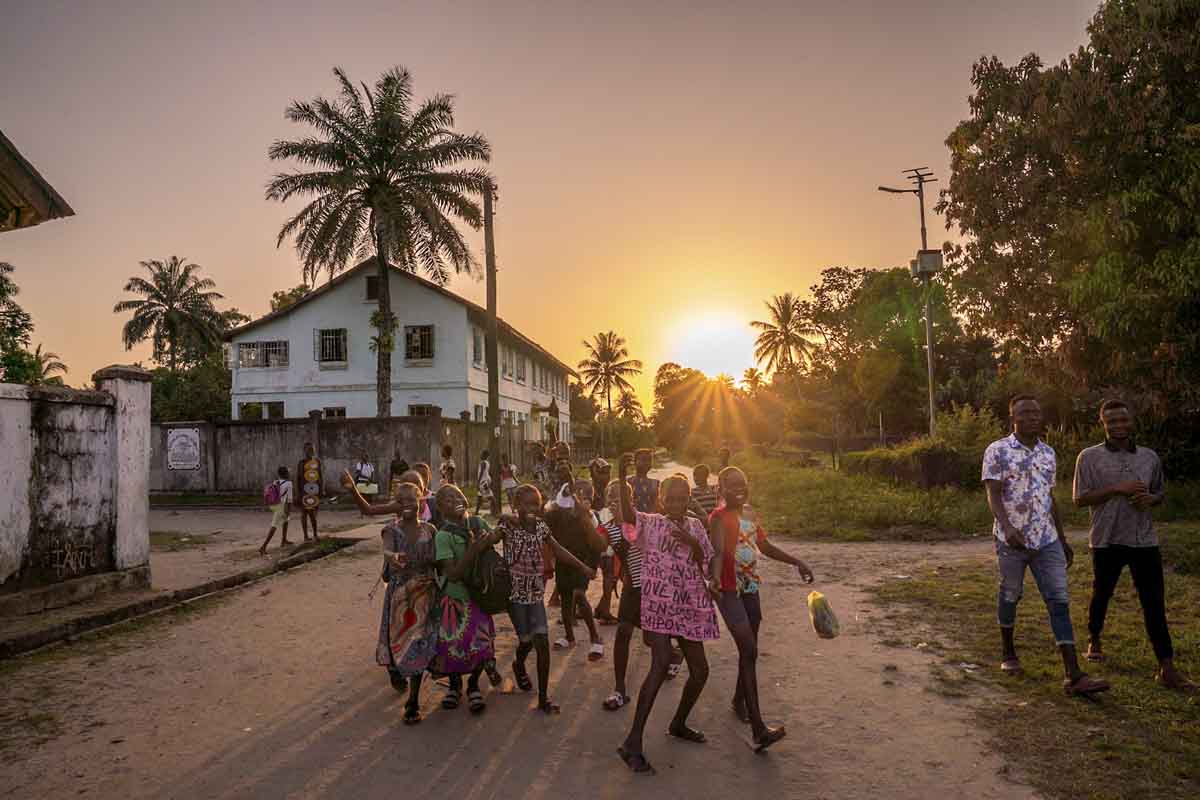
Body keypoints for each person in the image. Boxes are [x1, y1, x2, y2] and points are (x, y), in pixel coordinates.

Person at [982, 394, 1109, 696]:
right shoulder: (998, 450)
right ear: (1012, 416)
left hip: (1046, 539)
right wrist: (1008, 527)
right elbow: (993, 494)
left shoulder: (1048, 453)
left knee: (1059, 600)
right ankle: (1008, 652)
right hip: (1010, 540)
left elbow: (1050, 498)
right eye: (1024, 413)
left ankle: (1073, 674)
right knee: (1011, 593)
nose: (1032, 417)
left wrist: (1062, 539)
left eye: (1036, 413)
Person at [1073, 399, 1195, 691]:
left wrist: (1151, 499)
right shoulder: (1088, 457)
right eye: (1111, 421)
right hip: (1106, 538)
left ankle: (1166, 667)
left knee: (1154, 602)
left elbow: (1159, 493)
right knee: (1102, 592)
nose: (1118, 426)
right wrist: (1117, 489)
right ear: (1102, 424)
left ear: (1131, 421)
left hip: (1144, 540)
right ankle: (1094, 637)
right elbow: (1079, 499)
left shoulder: (1149, 457)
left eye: (1123, 420)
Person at [615, 454, 720, 775]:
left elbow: (707, 559)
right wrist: (622, 478)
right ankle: (633, 741)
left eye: (681, 498)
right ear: (661, 499)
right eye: (670, 498)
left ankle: (678, 723)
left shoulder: (696, 526)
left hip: (690, 604)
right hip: (660, 604)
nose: (676, 503)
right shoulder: (652, 524)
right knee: (660, 664)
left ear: (688, 499)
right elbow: (629, 515)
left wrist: (693, 543)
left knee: (700, 670)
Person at [710, 466, 809, 750]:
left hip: (750, 587)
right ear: (721, 488)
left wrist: (797, 562)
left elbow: (764, 546)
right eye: (731, 485)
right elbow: (717, 552)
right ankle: (758, 729)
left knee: (749, 647)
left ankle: (739, 700)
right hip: (728, 588)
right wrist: (715, 579)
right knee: (750, 649)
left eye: (742, 484)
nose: (738, 489)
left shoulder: (750, 513)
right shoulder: (718, 517)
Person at [342, 474, 439, 723]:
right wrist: (392, 557)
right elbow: (387, 549)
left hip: (423, 595)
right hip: (398, 595)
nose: (407, 503)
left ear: (421, 501)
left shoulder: (431, 530)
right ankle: (395, 671)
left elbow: (438, 560)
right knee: (396, 641)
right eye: (401, 499)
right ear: (396, 502)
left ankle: (413, 701)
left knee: (417, 643)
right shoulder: (391, 530)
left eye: (412, 499)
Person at [497, 484, 596, 713]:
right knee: (526, 641)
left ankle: (543, 699)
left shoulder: (540, 526)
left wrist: (583, 567)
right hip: (515, 595)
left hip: (535, 594)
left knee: (542, 642)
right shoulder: (507, 524)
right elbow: (489, 538)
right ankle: (518, 664)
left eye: (536, 503)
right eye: (526, 503)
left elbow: (558, 549)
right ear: (516, 505)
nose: (531, 507)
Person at [431, 483, 498, 713]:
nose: (454, 499)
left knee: (481, 646)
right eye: (447, 499)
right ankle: (454, 685)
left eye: (457, 494)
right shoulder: (443, 535)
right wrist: (474, 549)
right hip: (455, 599)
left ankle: (473, 686)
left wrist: (503, 529)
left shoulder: (477, 523)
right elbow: (453, 574)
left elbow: (494, 538)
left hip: (479, 596)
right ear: (440, 509)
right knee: (452, 647)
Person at [546, 481, 607, 660]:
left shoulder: (591, 517)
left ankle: (596, 638)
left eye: (585, 498)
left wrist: (593, 566)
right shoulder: (559, 515)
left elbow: (598, 545)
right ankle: (569, 636)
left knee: (578, 595)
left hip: (584, 562)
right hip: (564, 563)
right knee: (565, 599)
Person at [601, 479, 645, 712]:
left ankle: (675, 654)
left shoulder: (642, 520)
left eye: (620, 497)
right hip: (631, 589)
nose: (614, 501)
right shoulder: (608, 527)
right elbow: (599, 544)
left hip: (651, 588)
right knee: (623, 633)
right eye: (610, 497)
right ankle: (620, 690)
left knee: (652, 638)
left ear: (631, 500)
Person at [589, 458, 619, 624]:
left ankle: (602, 607)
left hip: (607, 537)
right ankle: (604, 609)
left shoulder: (607, 490)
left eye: (607, 472)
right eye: (601, 472)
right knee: (609, 574)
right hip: (599, 538)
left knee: (610, 574)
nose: (605, 476)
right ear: (593, 473)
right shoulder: (591, 491)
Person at [258, 466, 294, 554]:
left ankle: (284, 540)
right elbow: (289, 499)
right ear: (286, 474)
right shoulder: (289, 483)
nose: (290, 474)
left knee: (286, 520)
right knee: (274, 525)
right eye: (288, 473)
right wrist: (288, 511)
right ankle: (263, 547)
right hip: (280, 506)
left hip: (273, 505)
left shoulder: (275, 482)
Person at [296, 442, 322, 542]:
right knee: (304, 513)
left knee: (313, 514)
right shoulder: (301, 463)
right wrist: (298, 493)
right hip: (303, 492)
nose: (310, 451)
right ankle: (306, 536)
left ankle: (315, 534)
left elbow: (320, 476)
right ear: (304, 451)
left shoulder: (317, 462)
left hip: (315, 492)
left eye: (312, 449)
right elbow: (298, 478)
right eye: (308, 449)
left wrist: (321, 489)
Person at [475, 450, 493, 516]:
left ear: (485, 456)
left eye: (482, 454)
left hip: (483, 482)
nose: (480, 455)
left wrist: (478, 482)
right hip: (485, 481)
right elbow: (487, 472)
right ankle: (476, 512)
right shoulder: (487, 463)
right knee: (479, 497)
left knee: (490, 496)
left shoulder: (483, 463)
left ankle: (496, 511)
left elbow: (482, 473)